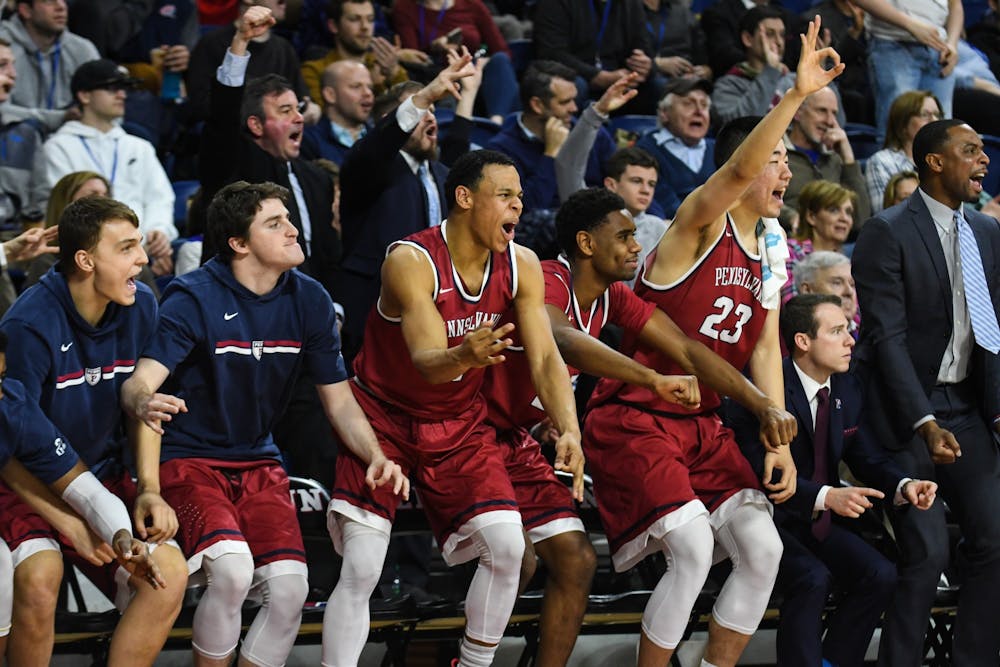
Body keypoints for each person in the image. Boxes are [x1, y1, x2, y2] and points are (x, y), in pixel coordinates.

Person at [582, 18, 841, 667]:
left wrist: (779, 439)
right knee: (695, 547)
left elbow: (760, 349)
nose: (784, 170)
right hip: (635, 416)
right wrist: (793, 96)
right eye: (774, 159)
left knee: (766, 550)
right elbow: (736, 167)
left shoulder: (774, 247)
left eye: (787, 160)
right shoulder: (697, 222)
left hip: (703, 424)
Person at [488, 186, 815, 666]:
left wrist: (761, 403)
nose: (637, 247)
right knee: (519, 558)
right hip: (476, 427)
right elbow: (562, 340)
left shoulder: (615, 296)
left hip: (521, 437)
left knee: (576, 560)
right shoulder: (550, 279)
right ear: (585, 244)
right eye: (623, 237)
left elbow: (686, 349)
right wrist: (650, 378)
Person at [120, 180, 408, 667]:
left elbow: (338, 402)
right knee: (232, 573)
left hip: (258, 460)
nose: (293, 230)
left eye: (289, 218)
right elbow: (138, 382)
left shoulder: (311, 299)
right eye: (274, 223)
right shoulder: (192, 296)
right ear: (238, 243)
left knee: (291, 589)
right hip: (190, 461)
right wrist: (142, 400)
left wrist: (376, 455)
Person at [325, 149, 584, 667]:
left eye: (521, 196)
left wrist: (570, 428)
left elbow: (546, 360)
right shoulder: (410, 260)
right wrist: (465, 354)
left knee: (509, 547)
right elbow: (425, 361)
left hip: (459, 424)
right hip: (383, 420)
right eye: (505, 195)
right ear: (465, 198)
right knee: (363, 564)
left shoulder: (522, 263)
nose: (518, 206)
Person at [0, 196, 189, 667]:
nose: (143, 259)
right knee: (41, 577)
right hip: (26, 481)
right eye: (126, 248)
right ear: (85, 260)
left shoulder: (141, 302)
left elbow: (143, 407)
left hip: (98, 474)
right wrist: (70, 522)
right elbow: (7, 449)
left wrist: (149, 489)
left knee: (167, 574)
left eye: (140, 245)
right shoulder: (27, 326)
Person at [853, 118, 1000, 666]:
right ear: (934, 162)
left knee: (993, 540)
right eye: (970, 150)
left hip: (965, 407)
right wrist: (923, 421)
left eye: (984, 150)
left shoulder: (987, 232)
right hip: (903, 415)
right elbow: (886, 338)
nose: (983, 159)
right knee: (928, 549)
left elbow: (994, 331)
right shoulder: (886, 231)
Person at [731, 294, 937, 667]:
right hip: (764, 518)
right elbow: (764, 474)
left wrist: (903, 485)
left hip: (815, 521)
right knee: (812, 579)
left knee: (880, 574)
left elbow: (866, 456)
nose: (850, 340)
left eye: (849, 329)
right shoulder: (764, 389)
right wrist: (827, 497)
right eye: (837, 331)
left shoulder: (846, 387)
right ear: (803, 341)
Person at [0, 327, 168, 661]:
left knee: (31, 570)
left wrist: (119, 535)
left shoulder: (11, 402)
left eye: (1, 377)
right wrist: (70, 525)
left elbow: (80, 484)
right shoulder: (36, 321)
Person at [336, 52, 480, 359]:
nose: (431, 117)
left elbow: (458, 157)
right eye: (421, 111)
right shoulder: (369, 169)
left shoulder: (440, 174)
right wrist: (426, 94)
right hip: (372, 315)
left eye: (432, 110)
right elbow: (376, 147)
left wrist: (467, 97)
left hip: (435, 312)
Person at [195, 5, 341, 298]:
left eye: (298, 109)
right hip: (235, 307)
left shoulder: (317, 178)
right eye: (285, 111)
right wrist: (240, 42)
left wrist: (332, 306)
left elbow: (326, 256)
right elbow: (222, 119)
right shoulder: (233, 165)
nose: (299, 118)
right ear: (256, 125)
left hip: (306, 310)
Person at [35, 58, 177, 276]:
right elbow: (66, 207)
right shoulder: (58, 147)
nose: (122, 95)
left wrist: (159, 233)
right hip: (88, 250)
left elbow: (160, 198)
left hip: (142, 246)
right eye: (112, 88)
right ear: (84, 96)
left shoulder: (139, 146)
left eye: (124, 89)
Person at [486, 59, 615, 255]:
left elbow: (624, 177)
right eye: (565, 102)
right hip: (541, 248)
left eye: (574, 100)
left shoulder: (588, 133)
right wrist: (551, 155)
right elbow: (523, 212)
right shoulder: (501, 150)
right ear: (537, 105)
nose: (574, 108)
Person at [185, 0, 318, 124]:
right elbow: (200, 106)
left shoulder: (285, 48)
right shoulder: (211, 43)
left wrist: (311, 109)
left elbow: (303, 98)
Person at [392, 0, 519, 123]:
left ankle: (496, 123)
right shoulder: (404, 7)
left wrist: (480, 63)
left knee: (500, 60)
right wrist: (433, 48)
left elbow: (502, 50)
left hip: (473, 70)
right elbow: (413, 57)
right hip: (436, 75)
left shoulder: (471, 4)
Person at [852, 0, 961, 138]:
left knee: (941, 138)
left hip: (939, 51)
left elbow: (956, 5)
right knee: (897, 135)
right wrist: (909, 24)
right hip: (892, 44)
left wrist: (952, 44)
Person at [532, 0, 654, 110]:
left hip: (619, 77)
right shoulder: (555, 3)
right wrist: (597, 76)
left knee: (658, 86)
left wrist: (644, 65)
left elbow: (643, 47)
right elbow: (552, 53)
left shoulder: (631, 4)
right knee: (575, 86)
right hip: (576, 73)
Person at [0, 0, 99, 131]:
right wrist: (60, 118)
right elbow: (2, 111)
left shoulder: (82, 49)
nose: (61, 7)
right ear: (26, 10)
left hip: (72, 135)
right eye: (49, 1)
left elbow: (102, 99)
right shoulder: (4, 47)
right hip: (13, 134)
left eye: (63, 1)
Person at [783, 85, 869, 224]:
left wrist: (848, 158)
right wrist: (791, 218)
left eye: (834, 113)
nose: (829, 121)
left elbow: (860, 220)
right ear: (798, 112)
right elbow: (758, 200)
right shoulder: (775, 152)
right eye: (822, 111)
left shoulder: (835, 159)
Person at [635, 77, 716, 220]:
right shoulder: (646, 151)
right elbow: (666, 205)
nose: (699, 111)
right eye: (688, 103)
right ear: (665, 113)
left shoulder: (718, 149)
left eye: (704, 105)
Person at [300, 0, 411, 103]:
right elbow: (324, 120)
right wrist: (374, 86)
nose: (365, 27)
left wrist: (394, 73)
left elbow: (411, 111)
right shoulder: (315, 71)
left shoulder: (384, 65)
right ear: (333, 26)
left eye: (370, 19)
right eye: (354, 19)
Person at [711, 6, 795, 126]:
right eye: (770, 34)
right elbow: (740, 128)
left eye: (782, 35)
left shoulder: (793, 80)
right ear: (748, 39)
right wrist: (770, 72)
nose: (779, 42)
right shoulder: (728, 86)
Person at [864, 90, 942, 213]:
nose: (934, 120)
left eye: (937, 115)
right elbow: (884, 215)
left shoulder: (945, 162)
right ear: (903, 124)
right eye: (925, 115)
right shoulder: (882, 162)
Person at [784, 180, 857, 301]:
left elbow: (856, 312)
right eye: (834, 210)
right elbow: (792, 304)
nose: (844, 218)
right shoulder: (790, 252)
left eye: (848, 212)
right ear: (811, 217)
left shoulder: (847, 263)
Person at [300, 59, 373, 165]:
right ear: (330, 95)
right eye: (356, 87)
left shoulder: (380, 138)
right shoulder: (308, 141)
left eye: (370, 87)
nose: (368, 93)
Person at [793, 250, 859, 337]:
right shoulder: (784, 339)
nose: (849, 292)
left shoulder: (867, 333)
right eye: (837, 283)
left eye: (852, 284)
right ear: (807, 290)